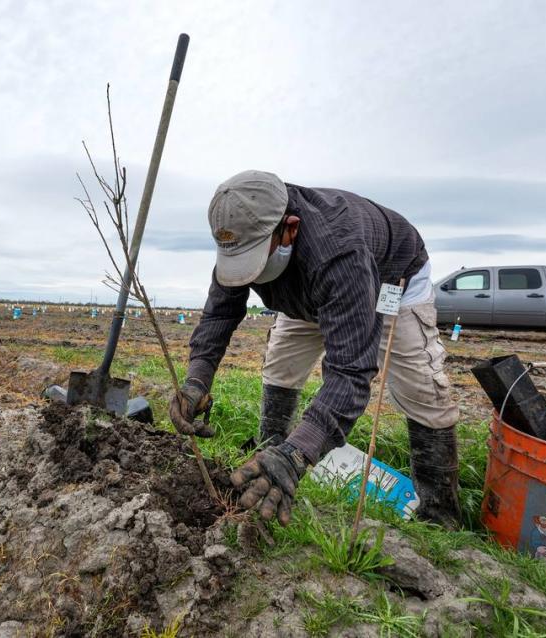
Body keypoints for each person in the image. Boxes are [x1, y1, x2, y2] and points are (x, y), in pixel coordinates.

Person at [169, 171, 461, 528]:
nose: (249, 273)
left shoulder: (339, 253)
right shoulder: (244, 229)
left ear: (289, 229)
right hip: (304, 293)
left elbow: (352, 371)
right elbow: (220, 311)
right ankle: (268, 457)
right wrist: (196, 380)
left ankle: (440, 514)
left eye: (256, 260)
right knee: (280, 368)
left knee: (421, 389)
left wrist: (299, 455)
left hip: (391, 280)